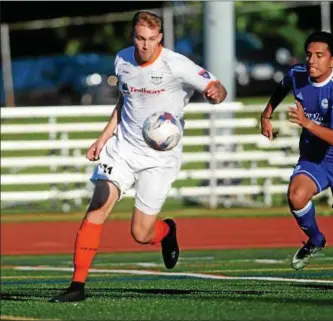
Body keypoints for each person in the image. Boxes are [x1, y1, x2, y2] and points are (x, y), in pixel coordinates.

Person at [50, 10, 227, 303]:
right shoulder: (122, 60)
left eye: (151, 40)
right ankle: (77, 285)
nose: (144, 45)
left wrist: (214, 94)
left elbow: (217, 87)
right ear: (133, 36)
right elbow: (125, 100)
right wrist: (104, 137)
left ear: (160, 39)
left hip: (161, 157)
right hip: (124, 147)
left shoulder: (177, 64)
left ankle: (167, 231)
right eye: (139, 38)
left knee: (141, 233)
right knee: (99, 202)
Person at [261, 31, 333, 293]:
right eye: (309, 54)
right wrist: (266, 114)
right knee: (296, 195)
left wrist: (306, 123)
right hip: (313, 156)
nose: (311, 61)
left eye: (319, 56)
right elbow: (283, 86)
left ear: (332, 61)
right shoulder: (298, 73)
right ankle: (316, 239)